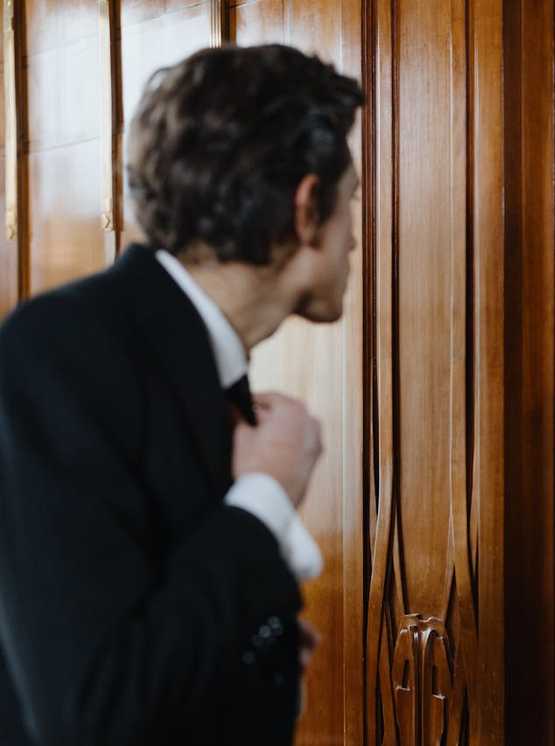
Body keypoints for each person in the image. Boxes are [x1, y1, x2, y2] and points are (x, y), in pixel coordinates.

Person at [0, 44, 362, 745]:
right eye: (352, 204)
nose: (356, 241)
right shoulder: (57, 352)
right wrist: (264, 497)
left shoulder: (197, 362)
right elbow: (91, 715)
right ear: (307, 208)